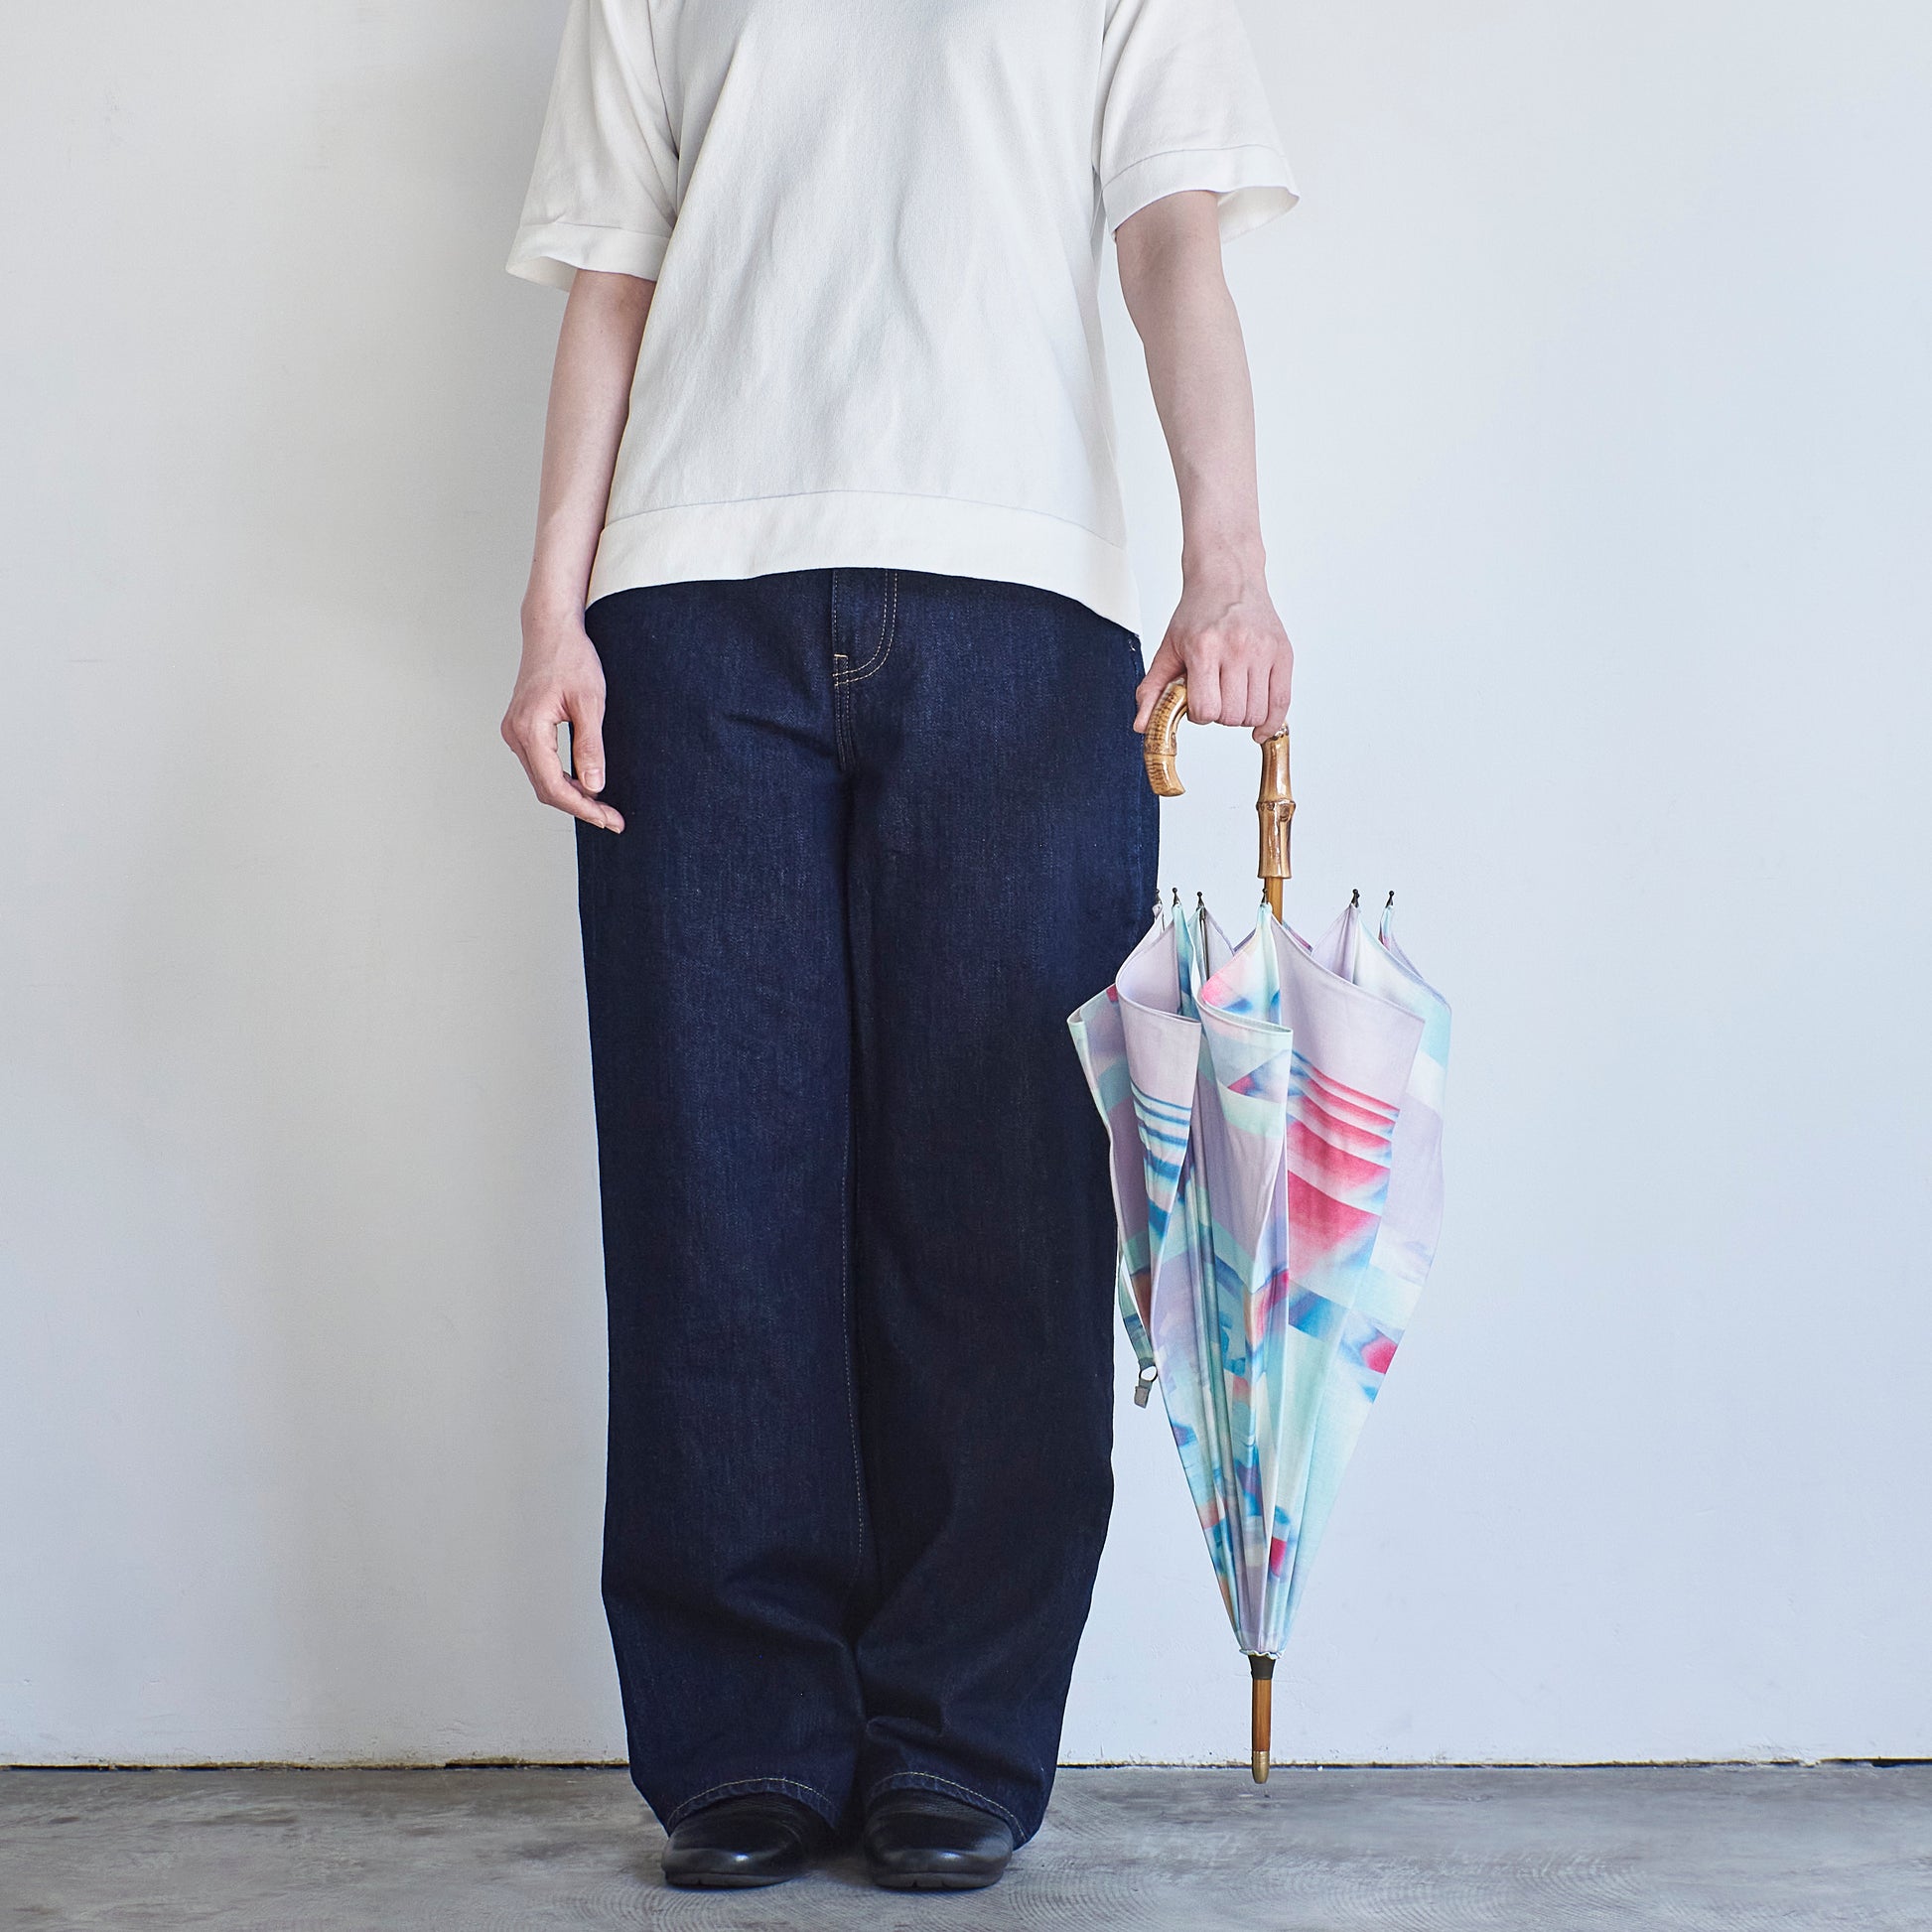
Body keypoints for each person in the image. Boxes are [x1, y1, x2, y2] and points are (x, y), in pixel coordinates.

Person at [500, 0, 1297, 1893]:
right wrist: (550, 614)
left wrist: (1230, 560)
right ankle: (746, 1735)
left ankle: (956, 1732)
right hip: (691, 597)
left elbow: (1169, 237)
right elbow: (614, 275)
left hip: (1021, 597)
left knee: (1002, 1198)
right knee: (714, 1184)